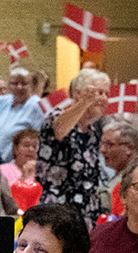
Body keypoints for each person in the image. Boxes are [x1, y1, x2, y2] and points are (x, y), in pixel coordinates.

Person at [37, 68, 110, 225]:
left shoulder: (92, 131)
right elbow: (60, 130)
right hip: (56, 214)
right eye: (99, 93)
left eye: (107, 93)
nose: (104, 99)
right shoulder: (56, 117)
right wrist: (83, 103)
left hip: (86, 216)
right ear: (78, 93)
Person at [97, 118, 138, 215]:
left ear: (129, 148)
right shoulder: (118, 176)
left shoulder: (135, 181)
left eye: (109, 145)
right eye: (102, 144)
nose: (103, 150)